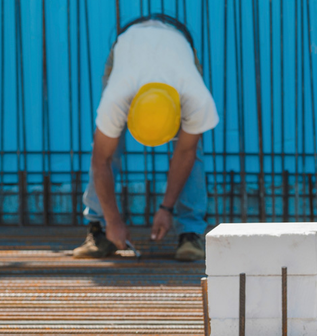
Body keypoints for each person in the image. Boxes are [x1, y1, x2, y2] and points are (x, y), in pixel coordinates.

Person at [73, 14, 219, 262]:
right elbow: (101, 160)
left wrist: (166, 208)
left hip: (177, 42)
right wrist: (113, 220)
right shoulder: (117, 98)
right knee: (107, 145)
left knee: (192, 147)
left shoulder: (196, 99)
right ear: (128, 113)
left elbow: (185, 152)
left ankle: (190, 232)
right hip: (128, 47)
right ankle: (100, 230)